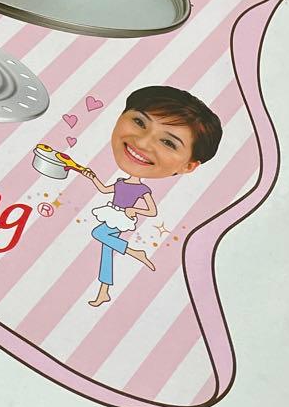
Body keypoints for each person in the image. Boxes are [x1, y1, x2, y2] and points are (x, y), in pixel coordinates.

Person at [78, 85, 222, 307]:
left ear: (189, 166)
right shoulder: (122, 182)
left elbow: (151, 210)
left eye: (168, 142)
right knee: (106, 251)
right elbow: (107, 190)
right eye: (139, 122)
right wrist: (92, 177)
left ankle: (134, 252)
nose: (142, 142)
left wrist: (132, 210)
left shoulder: (142, 190)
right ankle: (105, 289)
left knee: (100, 235)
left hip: (119, 217)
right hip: (112, 213)